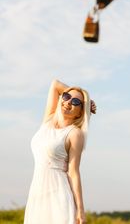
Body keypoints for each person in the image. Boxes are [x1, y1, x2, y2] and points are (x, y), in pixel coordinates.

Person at [23, 79, 97, 224]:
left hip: (59, 196)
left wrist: (80, 211)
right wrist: (86, 101)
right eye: (66, 97)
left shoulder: (75, 134)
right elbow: (55, 84)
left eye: (76, 102)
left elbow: (73, 172)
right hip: (37, 194)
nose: (69, 102)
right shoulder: (48, 119)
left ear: (80, 113)